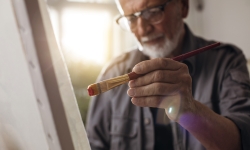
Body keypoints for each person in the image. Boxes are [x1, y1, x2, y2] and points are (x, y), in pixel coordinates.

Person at [86, 0, 250, 149]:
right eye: (131, 19)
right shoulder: (113, 72)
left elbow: (243, 141)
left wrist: (191, 111)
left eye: (153, 11)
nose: (143, 29)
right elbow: (93, 144)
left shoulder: (226, 62)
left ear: (183, 7)